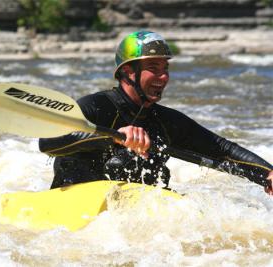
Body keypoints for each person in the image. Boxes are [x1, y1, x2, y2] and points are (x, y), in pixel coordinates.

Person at [38, 30, 273, 194]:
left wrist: (267, 174)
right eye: (153, 68)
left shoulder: (164, 121)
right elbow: (48, 141)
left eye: (165, 69)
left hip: (129, 221)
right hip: (75, 203)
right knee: (122, 159)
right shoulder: (96, 106)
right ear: (129, 72)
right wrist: (114, 136)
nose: (163, 77)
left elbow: (221, 150)